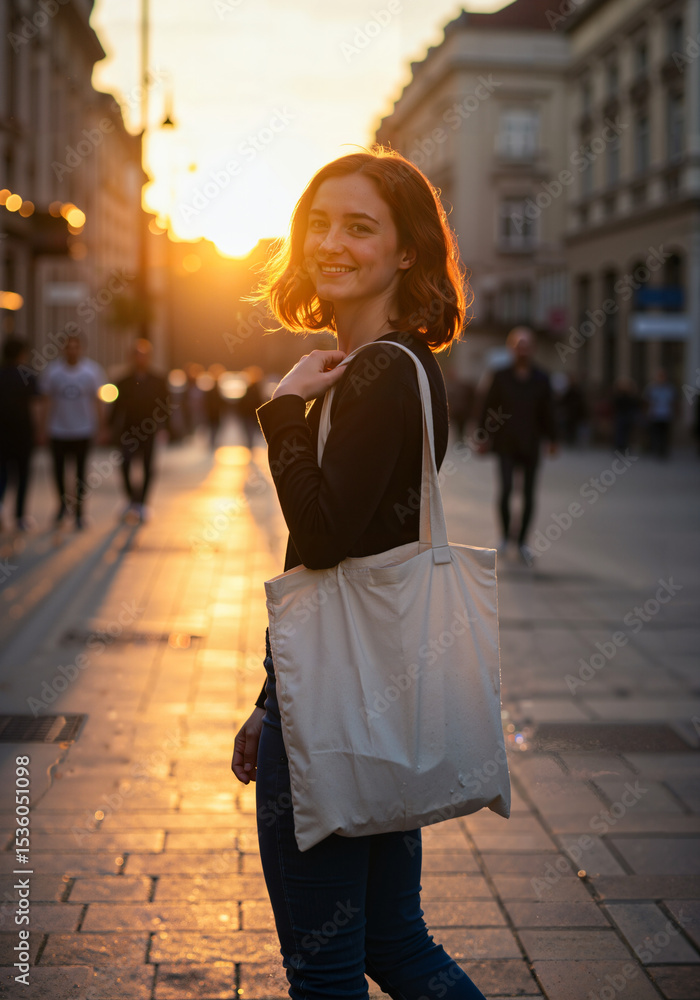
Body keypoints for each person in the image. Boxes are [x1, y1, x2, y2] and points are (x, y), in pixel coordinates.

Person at [231, 148, 487, 999]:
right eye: (317, 222)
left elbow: (323, 537)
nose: (329, 242)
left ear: (406, 250)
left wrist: (281, 413)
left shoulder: (381, 369)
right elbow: (341, 556)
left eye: (359, 226)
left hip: (332, 720)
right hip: (371, 704)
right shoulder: (389, 364)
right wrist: (270, 699)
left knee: (327, 971)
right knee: (394, 946)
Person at [477, 327, 558, 564]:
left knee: (529, 495)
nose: (523, 349)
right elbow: (486, 407)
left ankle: (522, 542)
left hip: (531, 444)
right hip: (505, 443)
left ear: (532, 349)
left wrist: (553, 439)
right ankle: (504, 537)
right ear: (511, 348)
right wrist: (482, 435)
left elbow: (548, 412)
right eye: (518, 345)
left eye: (527, 345)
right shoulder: (500, 376)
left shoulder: (542, 378)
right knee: (506, 490)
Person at [38, 333, 106, 529]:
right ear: (63, 349)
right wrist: (42, 428)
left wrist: (102, 427)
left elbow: (98, 400)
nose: (72, 351)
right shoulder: (53, 372)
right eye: (69, 347)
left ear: (81, 349)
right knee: (58, 471)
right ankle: (61, 506)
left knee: (81, 473)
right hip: (58, 430)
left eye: (76, 347)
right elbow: (46, 401)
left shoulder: (92, 371)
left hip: (83, 430)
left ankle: (79, 512)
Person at [109, 339, 170, 523]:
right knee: (125, 464)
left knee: (148, 466)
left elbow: (165, 407)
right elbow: (116, 407)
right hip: (129, 430)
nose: (140, 358)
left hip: (149, 430)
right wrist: (108, 427)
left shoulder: (158, 381)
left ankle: (142, 503)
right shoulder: (123, 381)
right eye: (137, 354)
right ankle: (131, 500)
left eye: (144, 355)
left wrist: (164, 428)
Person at [0, 337, 40, 532]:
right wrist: (40, 430)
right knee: (22, 475)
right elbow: (35, 407)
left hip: (2, 434)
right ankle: (20, 516)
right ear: (21, 354)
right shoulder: (28, 376)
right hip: (23, 433)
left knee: (2, 474)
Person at [644, 368, 676, 459]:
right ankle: (656, 449)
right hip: (655, 414)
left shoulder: (670, 388)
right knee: (655, 433)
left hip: (666, 414)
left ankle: (663, 450)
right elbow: (647, 401)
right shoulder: (651, 388)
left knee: (665, 434)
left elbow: (673, 401)